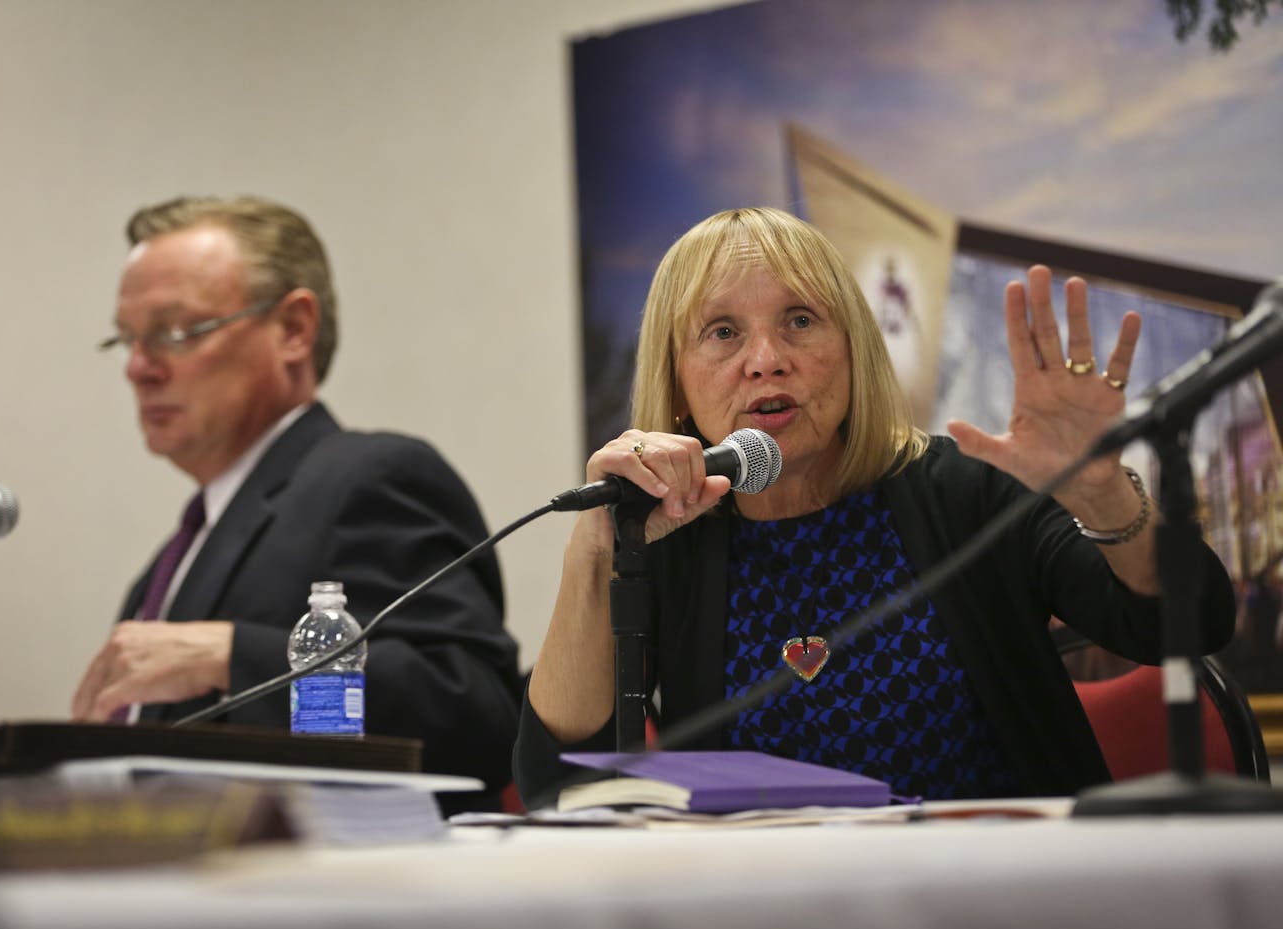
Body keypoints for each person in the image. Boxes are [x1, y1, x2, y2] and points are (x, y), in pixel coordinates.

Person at [514, 207, 1234, 805]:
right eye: (724, 331)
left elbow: (1188, 619)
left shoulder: (962, 491)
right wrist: (599, 541)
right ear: (676, 384)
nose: (766, 357)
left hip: (1003, 908)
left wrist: (1102, 491)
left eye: (800, 319)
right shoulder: (669, 535)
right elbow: (553, 778)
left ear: (854, 351)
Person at [70, 196, 521, 804]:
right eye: (127, 340)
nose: (139, 369)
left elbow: (474, 712)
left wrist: (235, 656)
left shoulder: (370, 477)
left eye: (174, 332)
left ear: (292, 330)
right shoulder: (164, 569)